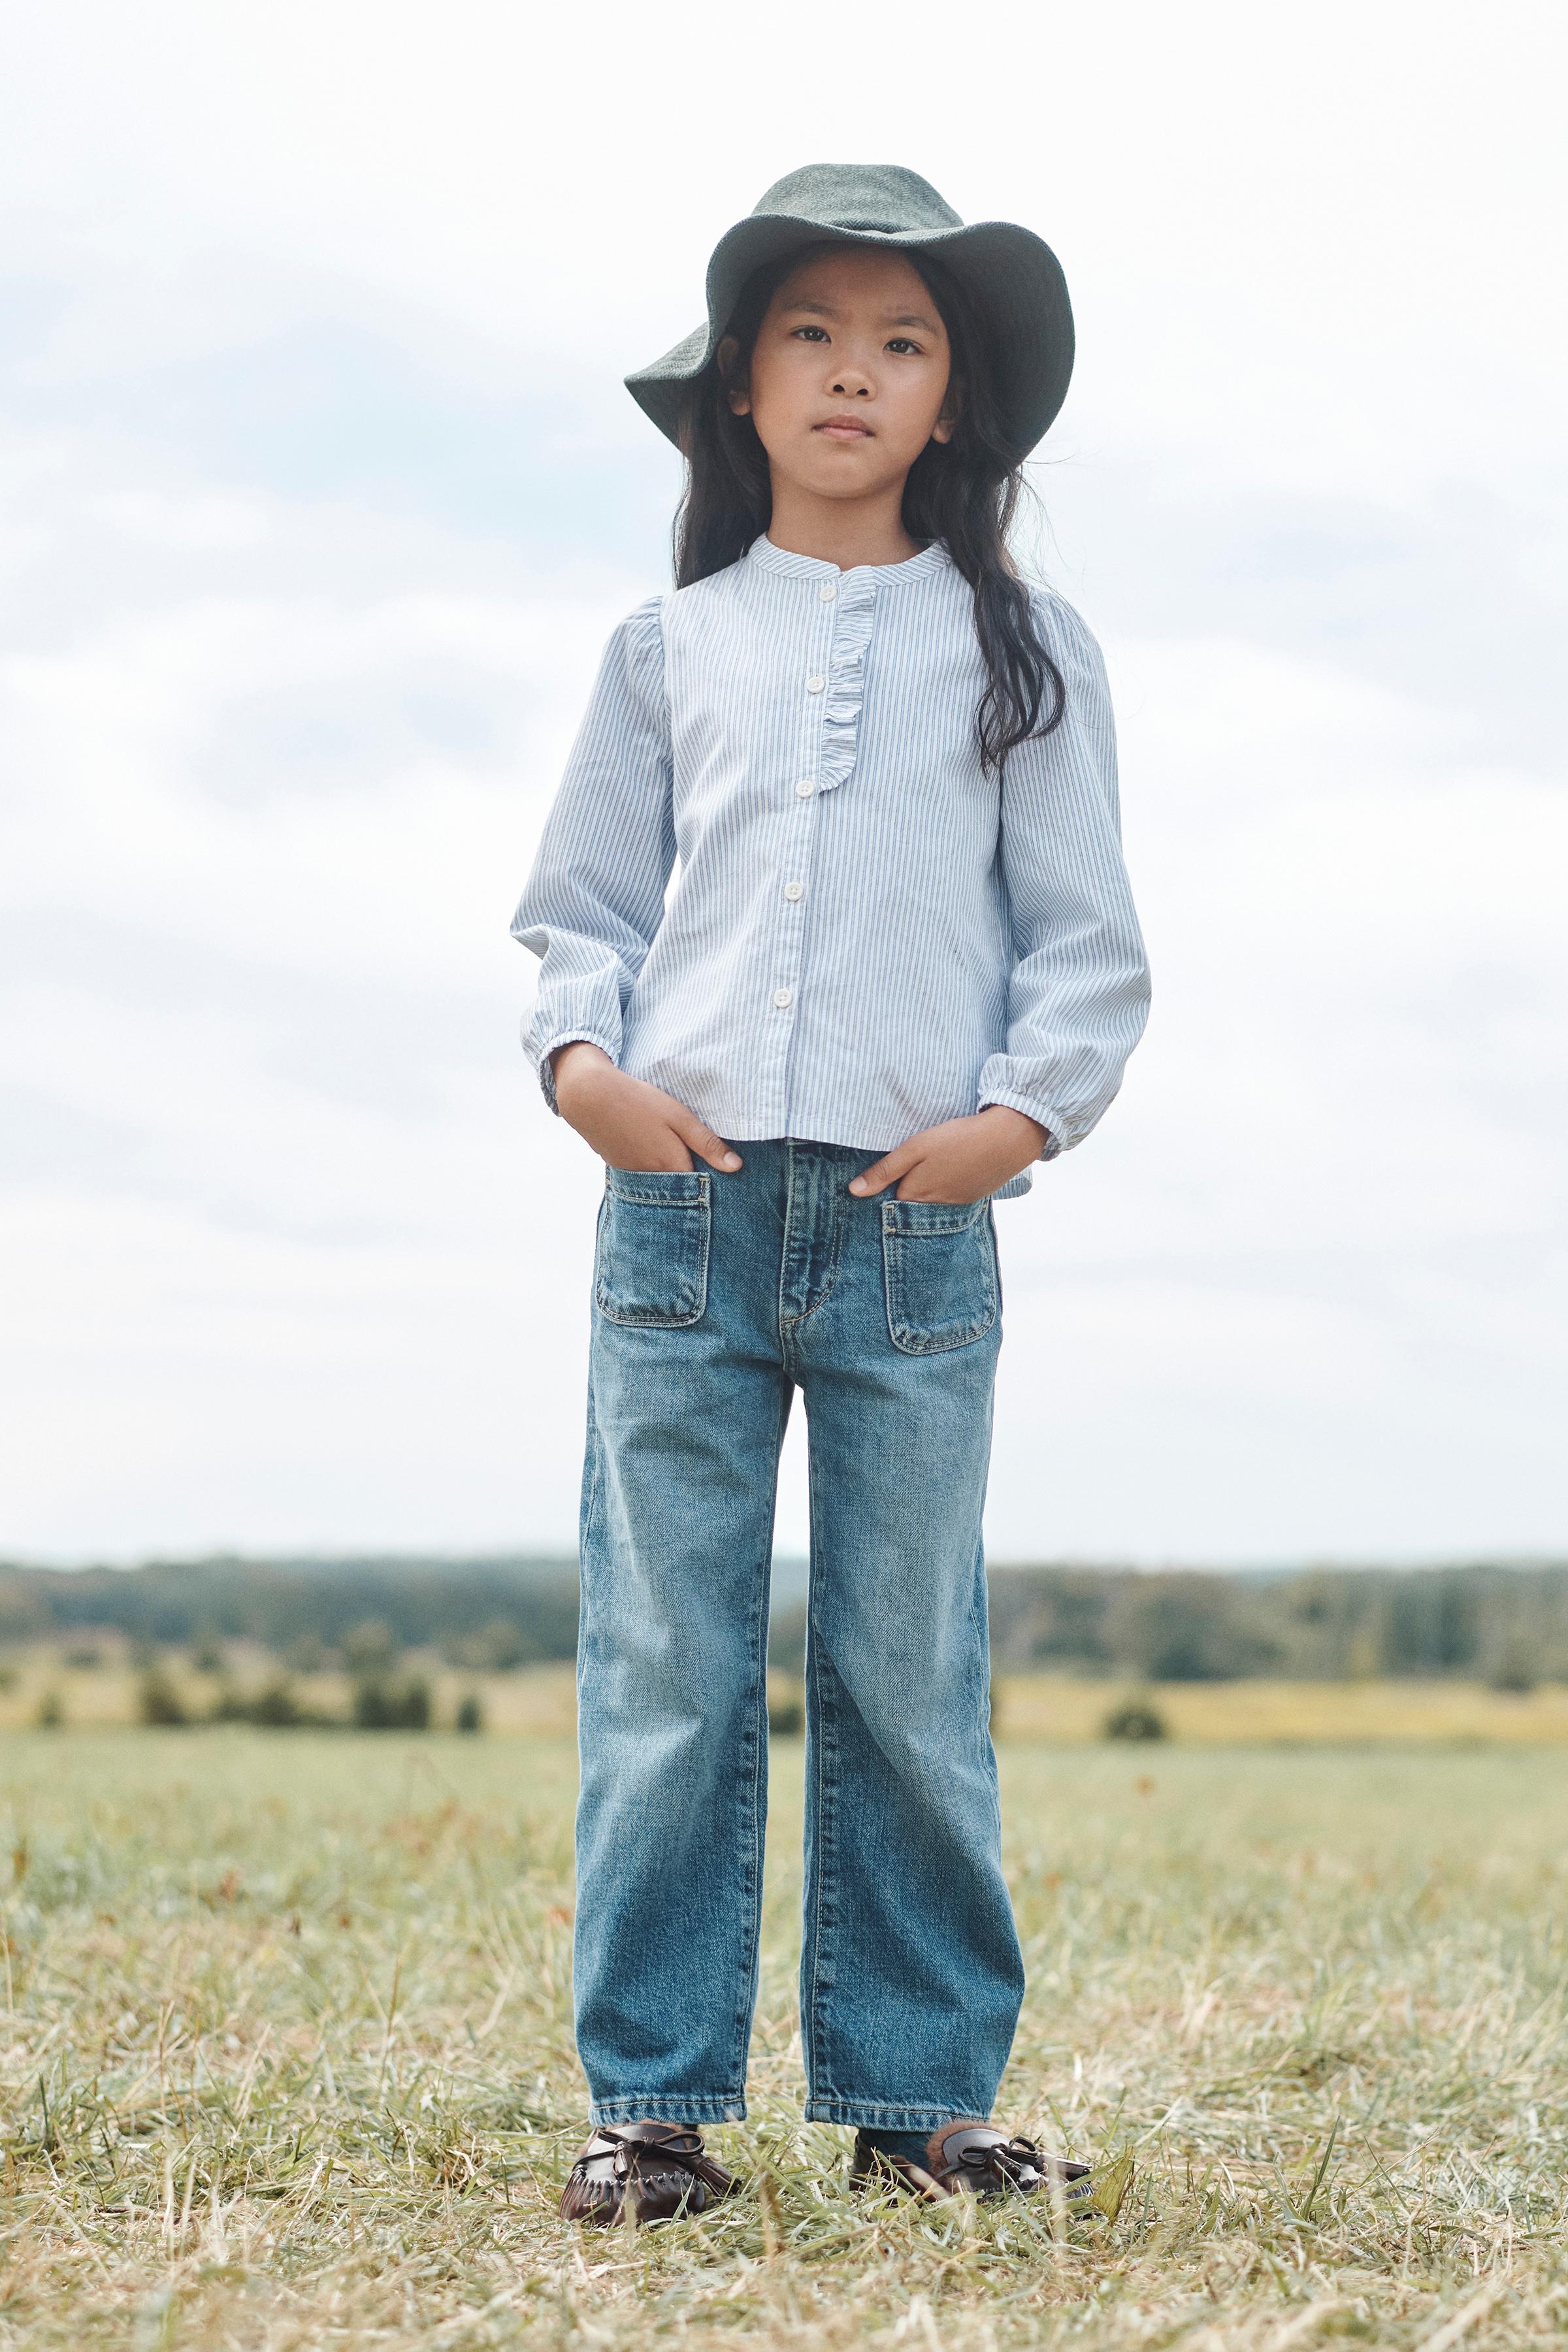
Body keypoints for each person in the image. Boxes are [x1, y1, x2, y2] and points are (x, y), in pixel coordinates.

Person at [512, 163, 1150, 2227]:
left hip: (914, 1216)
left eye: (902, 340)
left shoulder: (1026, 650)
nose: (855, 370)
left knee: (904, 1664)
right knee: (671, 1669)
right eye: (812, 332)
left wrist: (1021, 1122)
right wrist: (587, 1076)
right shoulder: (665, 646)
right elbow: (583, 917)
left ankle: (919, 2094)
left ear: (954, 403)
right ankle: (655, 2107)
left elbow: (1085, 943)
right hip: (679, 1213)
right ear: (740, 391)